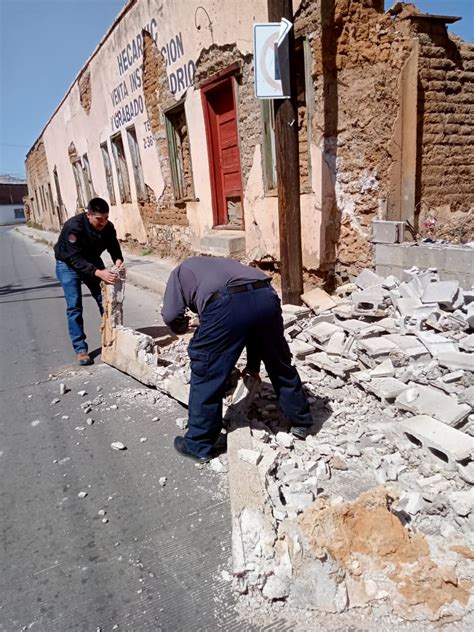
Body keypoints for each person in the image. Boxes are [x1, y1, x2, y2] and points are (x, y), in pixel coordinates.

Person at [162, 256, 313, 463]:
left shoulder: (179, 272)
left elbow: (171, 315)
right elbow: (251, 325)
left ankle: (199, 444)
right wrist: (252, 366)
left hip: (225, 302)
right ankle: (301, 421)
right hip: (265, 295)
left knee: (207, 369)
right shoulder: (221, 264)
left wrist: (180, 327)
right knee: (278, 361)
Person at [54, 197, 124, 366]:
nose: (103, 223)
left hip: (92, 260)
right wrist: (99, 272)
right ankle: (81, 349)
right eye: (99, 219)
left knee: (105, 302)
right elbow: (74, 258)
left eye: (106, 218)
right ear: (89, 214)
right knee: (74, 306)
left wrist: (118, 261)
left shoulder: (107, 227)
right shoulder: (73, 227)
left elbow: (113, 245)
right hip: (68, 264)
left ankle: (113, 340)